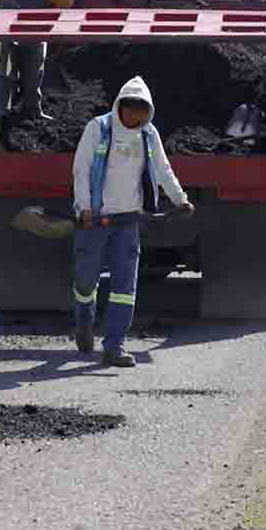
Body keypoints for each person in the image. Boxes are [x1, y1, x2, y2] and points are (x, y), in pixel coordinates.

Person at [71, 76, 195, 367]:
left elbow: (163, 169)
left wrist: (180, 199)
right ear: (120, 107)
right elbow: (81, 170)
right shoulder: (98, 129)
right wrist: (85, 207)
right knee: (86, 280)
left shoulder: (148, 135)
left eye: (143, 111)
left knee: (124, 287)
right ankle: (84, 320)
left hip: (128, 222)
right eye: (132, 110)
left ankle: (114, 346)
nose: (137, 116)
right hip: (94, 221)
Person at [0, 0, 91, 120]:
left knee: (8, 56)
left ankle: (2, 111)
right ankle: (32, 109)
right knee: (36, 56)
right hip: (33, 8)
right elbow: (52, 24)